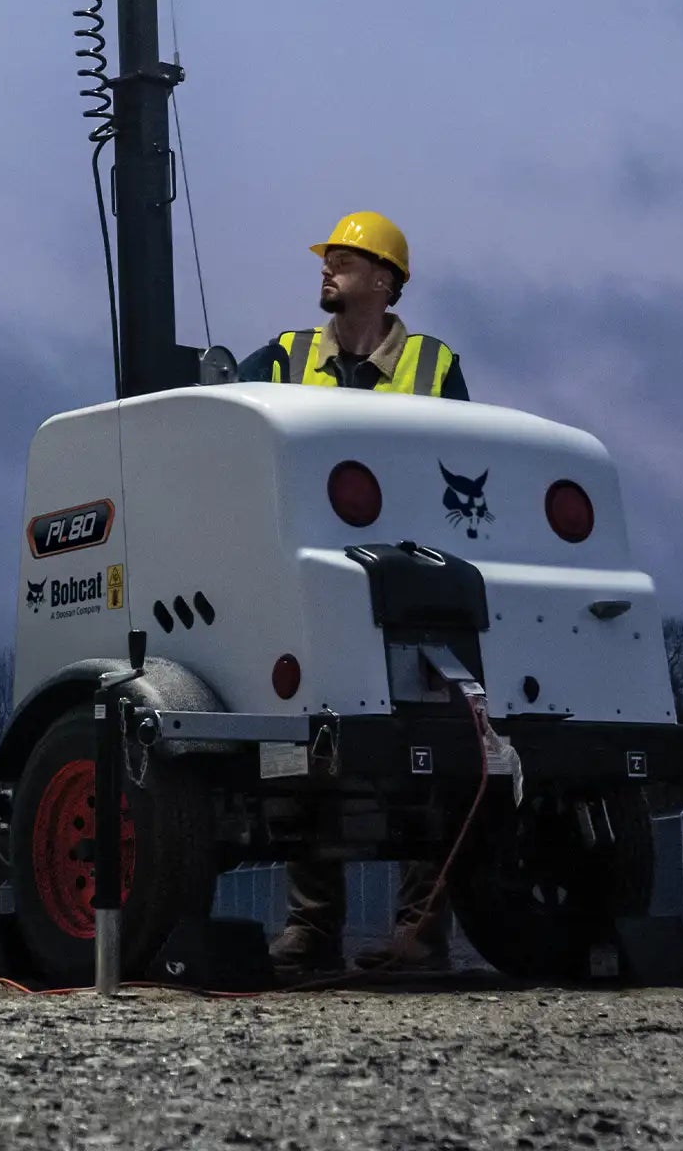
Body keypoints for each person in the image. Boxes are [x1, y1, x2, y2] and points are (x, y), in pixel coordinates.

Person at [242, 211, 467, 977]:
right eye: (327, 258)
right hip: (306, 577)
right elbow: (230, 422)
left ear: (385, 279)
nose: (326, 269)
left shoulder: (435, 365)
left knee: (426, 752)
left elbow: (462, 465)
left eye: (344, 259)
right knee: (306, 746)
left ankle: (419, 936)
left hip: (412, 581)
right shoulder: (283, 356)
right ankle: (312, 929)